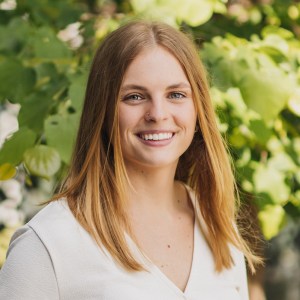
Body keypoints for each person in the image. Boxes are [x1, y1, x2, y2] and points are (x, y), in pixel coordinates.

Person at [0, 20, 261, 299]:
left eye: (176, 94)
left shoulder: (218, 226)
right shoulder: (49, 243)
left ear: (198, 108)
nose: (158, 113)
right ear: (103, 110)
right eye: (134, 97)